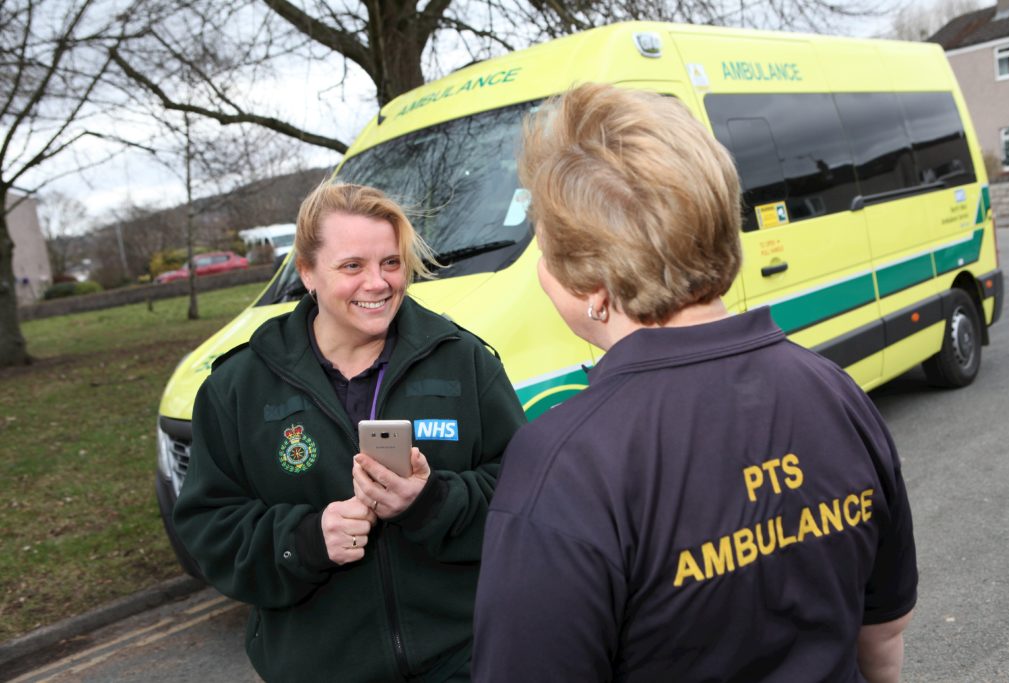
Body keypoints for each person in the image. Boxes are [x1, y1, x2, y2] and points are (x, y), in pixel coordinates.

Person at [472, 83, 917, 682]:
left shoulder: (564, 465)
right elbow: (883, 631)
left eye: (545, 251)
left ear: (594, 286)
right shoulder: (834, 391)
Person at [174, 182, 526, 683]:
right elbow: (210, 530)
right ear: (306, 273)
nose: (378, 283)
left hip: (465, 659)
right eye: (352, 266)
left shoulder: (463, 362)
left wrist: (430, 502)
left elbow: (527, 494)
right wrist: (306, 539)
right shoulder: (238, 387)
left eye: (390, 262)